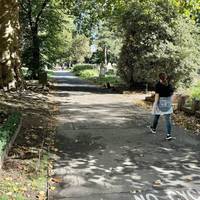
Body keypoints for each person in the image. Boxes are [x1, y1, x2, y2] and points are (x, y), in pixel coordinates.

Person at [149, 72, 174, 140]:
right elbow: (172, 95)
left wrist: (154, 105)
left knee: (156, 116)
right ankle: (169, 135)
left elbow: (157, 96)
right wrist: (171, 103)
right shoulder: (170, 85)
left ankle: (153, 129)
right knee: (168, 120)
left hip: (160, 103)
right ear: (166, 77)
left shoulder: (158, 85)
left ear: (159, 78)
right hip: (168, 104)